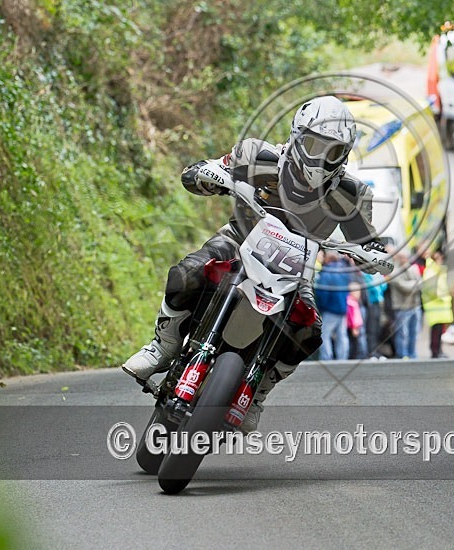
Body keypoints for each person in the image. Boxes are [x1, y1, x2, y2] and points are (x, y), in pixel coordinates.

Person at [121, 96, 381, 432]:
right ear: (297, 136)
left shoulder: (352, 193)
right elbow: (200, 173)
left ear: (344, 155)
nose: (320, 157)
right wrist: (208, 176)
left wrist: (373, 254)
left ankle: (257, 392)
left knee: (309, 330)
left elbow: (368, 241)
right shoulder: (258, 155)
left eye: (332, 151)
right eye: (314, 145)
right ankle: (163, 346)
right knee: (187, 273)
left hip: (296, 269)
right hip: (238, 240)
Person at [315, 253, 352, 361]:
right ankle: (342, 357)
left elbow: (323, 293)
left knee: (324, 335)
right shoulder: (345, 272)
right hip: (342, 308)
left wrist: (321, 307)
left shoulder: (326, 273)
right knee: (342, 335)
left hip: (330, 309)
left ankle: (326, 357)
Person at [421, 250, 454, 358]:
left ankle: (439, 350)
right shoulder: (431, 271)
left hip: (441, 305)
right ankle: (435, 351)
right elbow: (430, 288)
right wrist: (439, 296)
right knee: (436, 331)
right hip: (435, 305)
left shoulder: (439, 271)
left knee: (440, 330)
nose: (441, 260)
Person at [389, 252, 422, 359]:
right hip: (402, 307)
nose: (404, 259)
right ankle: (401, 355)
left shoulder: (413, 269)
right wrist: (415, 284)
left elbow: (421, 283)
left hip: (415, 306)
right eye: (402, 257)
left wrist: (414, 284)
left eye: (405, 257)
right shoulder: (394, 271)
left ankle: (412, 354)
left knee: (414, 332)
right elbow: (403, 287)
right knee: (403, 334)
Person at [363, 271, 387, 358]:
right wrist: (378, 286)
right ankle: (371, 351)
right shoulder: (365, 274)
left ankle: (376, 350)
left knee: (377, 328)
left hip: (378, 302)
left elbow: (384, 285)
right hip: (370, 303)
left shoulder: (377, 273)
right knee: (371, 329)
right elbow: (372, 287)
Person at [346, 281, 367, 360]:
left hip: (356, 326)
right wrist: (354, 327)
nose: (359, 294)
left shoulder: (354, 302)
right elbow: (352, 316)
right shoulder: (351, 303)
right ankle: (358, 356)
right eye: (357, 292)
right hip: (354, 327)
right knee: (355, 343)